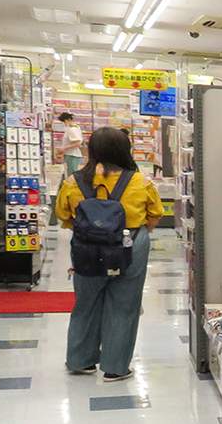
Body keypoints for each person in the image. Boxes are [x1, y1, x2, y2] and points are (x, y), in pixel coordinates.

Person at [55, 127, 163, 381]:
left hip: (85, 248)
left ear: (92, 151)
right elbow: (155, 214)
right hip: (130, 244)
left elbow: (63, 215)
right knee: (124, 305)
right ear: (124, 150)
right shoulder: (140, 181)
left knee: (86, 303)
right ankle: (116, 367)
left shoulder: (73, 181)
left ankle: (79, 360)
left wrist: (91, 230)